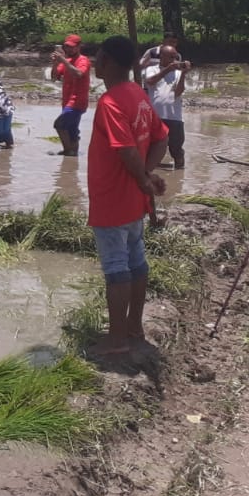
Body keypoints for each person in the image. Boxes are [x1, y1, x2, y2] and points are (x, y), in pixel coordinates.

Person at [86, 35, 170, 357]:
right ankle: (134, 326)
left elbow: (126, 151)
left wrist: (143, 178)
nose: (95, 62)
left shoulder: (110, 103)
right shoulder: (137, 93)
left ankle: (117, 338)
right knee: (136, 263)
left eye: (98, 57)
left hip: (113, 199)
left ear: (107, 61)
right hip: (135, 201)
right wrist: (147, 177)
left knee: (116, 268)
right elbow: (162, 139)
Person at [140, 36, 190, 170]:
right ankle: (149, 171)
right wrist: (168, 69)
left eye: (175, 57)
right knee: (151, 147)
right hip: (155, 117)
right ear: (162, 56)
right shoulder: (151, 69)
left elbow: (179, 92)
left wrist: (183, 74)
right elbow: (150, 82)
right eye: (170, 57)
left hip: (174, 117)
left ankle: (180, 169)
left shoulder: (178, 73)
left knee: (176, 149)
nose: (173, 60)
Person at [50, 34, 92, 158]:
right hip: (67, 101)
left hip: (77, 102)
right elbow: (54, 77)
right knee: (72, 131)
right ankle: (73, 157)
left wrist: (62, 60)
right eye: (67, 47)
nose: (69, 50)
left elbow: (78, 73)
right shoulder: (67, 61)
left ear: (79, 47)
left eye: (72, 47)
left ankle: (68, 151)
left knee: (59, 124)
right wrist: (55, 63)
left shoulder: (83, 60)